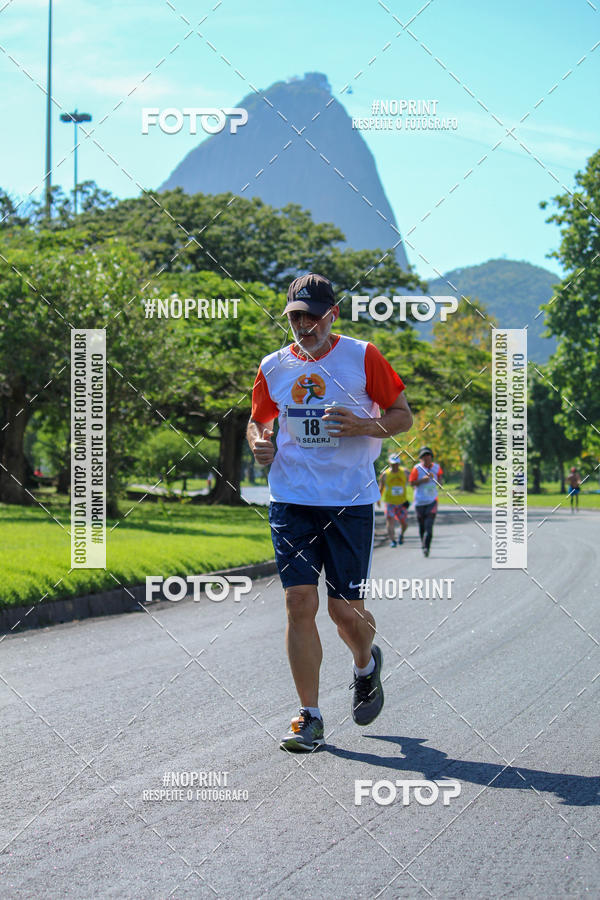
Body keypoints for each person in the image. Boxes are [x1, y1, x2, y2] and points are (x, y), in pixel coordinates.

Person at [246, 273, 413, 752]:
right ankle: (310, 716)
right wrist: (260, 442)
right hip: (291, 498)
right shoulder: (273, 366)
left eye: (313, 317)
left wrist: (363, 424)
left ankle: (365, 663)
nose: (304, 326)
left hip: (349, 500)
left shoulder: (363, 355)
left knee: (344, 611)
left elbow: (402, 414)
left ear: (332, 315)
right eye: (296, 317)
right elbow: (258, 420)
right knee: (300, 603)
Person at [409, 446, 443, 557]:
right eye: (423, 456)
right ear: (420, 458)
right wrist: (422, 480)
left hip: (432, 501)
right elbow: (411, 483)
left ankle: (426, 547)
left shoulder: (437, 468)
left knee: (429, 525)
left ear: (431, 457)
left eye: (428, 455)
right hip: (419, 501)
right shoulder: (416, 468)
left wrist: (436, 481)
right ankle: (423, 544)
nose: (426, 458)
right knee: (422, 526)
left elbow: (441, 483)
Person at [378, 454, 410, 547]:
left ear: (399, 463)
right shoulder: (385, 474)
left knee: (404, 523)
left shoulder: (405, 472)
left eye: (396, 464)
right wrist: (379, 499)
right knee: (390, 521)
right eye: (392, 464)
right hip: (389, 502)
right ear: (389, 464)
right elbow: (381, 487)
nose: (394, 466)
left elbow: (412, 482)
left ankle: (401, 534)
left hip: (402, 502)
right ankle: (392, 540)